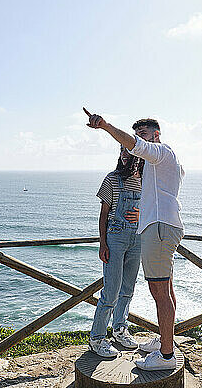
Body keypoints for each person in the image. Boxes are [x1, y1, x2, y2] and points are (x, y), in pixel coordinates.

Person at [85, 107, 184, 371]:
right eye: (136, 135)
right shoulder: (151, 168)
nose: (136, 140)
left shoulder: (160, 152)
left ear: (156, 135)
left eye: (143, 134)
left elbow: (136, 146)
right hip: (148, 230)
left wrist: (105, 126)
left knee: (158, 292)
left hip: (156, 230)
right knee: (164, 291)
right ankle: (164, 342)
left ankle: (166, 355)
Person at [89, 145, 144, 357]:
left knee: (128, 289)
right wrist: (103, 244)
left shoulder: (144, 180)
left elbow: (151, 207)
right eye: (121, 150)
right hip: (115, 238)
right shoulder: (111, 179)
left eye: (128, 150)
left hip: (137, 239)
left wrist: (141, 213)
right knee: (110, 291)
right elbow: (103, 215)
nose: (124, 154)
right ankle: (97, 338)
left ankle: (119, 329)